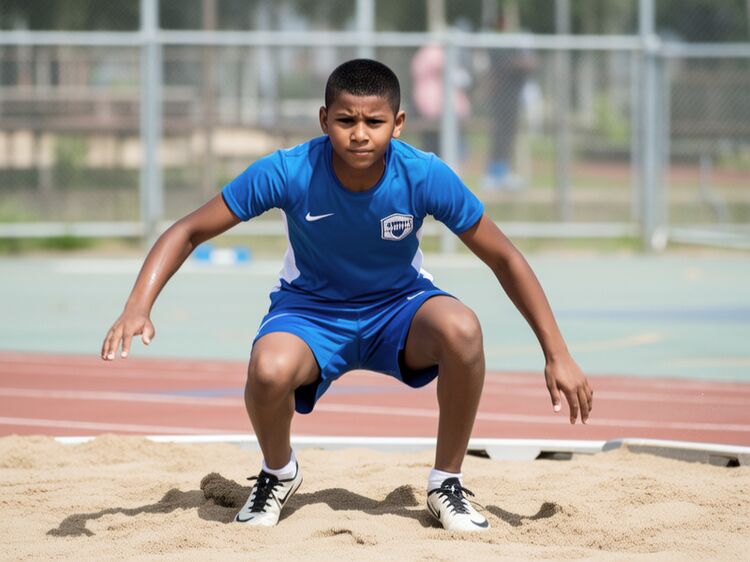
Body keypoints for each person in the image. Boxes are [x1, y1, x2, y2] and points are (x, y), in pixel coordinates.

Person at [101, 59, 593, 532]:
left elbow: (505, 257)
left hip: (399, 309)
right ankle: (278, 473)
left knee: (462, 329)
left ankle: (446, 482)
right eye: (345, 120)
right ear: (324, 119)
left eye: (374, 122)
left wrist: (557, 353)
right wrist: (137, 306)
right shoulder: (289, 170)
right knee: (267, 371)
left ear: (398, 123)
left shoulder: (424, 174)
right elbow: (188, 230)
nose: (360, 134)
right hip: (310, 313)